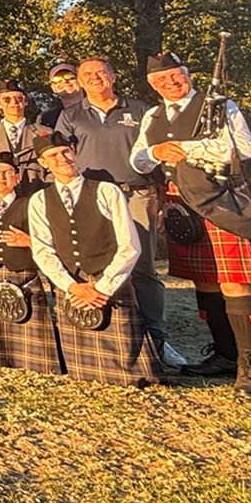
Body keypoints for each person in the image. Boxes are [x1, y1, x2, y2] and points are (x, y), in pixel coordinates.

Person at [130, 51, 251, 396]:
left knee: (234, 283)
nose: (172, 82)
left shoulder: (221, 106)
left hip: (222, 202)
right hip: (180, 205)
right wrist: (156, 153)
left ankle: (250, 367)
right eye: (163, 79)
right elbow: (138, 159)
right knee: (207, 282)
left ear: (189, 75)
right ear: (154, 86)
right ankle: (225, 356)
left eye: (177, 75)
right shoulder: (153, 116)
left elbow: (245, 148)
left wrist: (187, 149)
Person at [57, 56, 178, 366]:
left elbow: (163, 155)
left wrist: (165, 200)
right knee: (98, 264)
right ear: (80, 82)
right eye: (88, 74)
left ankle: (157, 338)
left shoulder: (141, 110)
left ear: (113, 74)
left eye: (101, 71)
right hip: (93, 199)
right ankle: (112, 334)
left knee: (142, 267)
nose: (95, 77)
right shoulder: (70, 116)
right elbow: (61, 160)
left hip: (137, 194)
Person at [29, 132, 161, 388]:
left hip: (109, 281)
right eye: (53, 156)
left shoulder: (107, 191)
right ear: (43, 163)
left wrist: (102, 288)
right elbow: (42, 250)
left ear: (74, 153)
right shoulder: (39, 200)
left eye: (66, 152)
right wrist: (71, 287)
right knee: (81, 375)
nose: (62, 159)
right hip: (72, 287)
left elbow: (130, 246)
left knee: (132, 377)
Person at [0, 151, 63, 375]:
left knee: (32, 330)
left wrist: (30, 241)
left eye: (7, 172)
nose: (1, 178)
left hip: (24, 275)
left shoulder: (33, 204)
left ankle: (39, 364)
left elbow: (53, 239)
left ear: (17, 177)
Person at [0, 78, 49, 185]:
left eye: (19, 99)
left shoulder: (44, 132)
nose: (14, 103)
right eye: (7, 99)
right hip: (4, 194)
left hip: (37, 193)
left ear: (25, 102)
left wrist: (47, 190)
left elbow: (56, 167)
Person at [41, 60, 84, 129]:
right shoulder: (46, 119)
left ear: (81, 81)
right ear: (53, 88)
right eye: (57, 80)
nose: (65, 81)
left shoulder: (98, 109)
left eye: (70, 77)